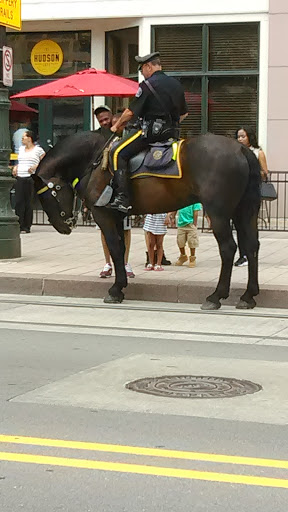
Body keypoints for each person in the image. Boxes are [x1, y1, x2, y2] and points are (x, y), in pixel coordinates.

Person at [109, 51, 188, 213]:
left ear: (148, 66)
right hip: (172, 134)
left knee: (117, 153)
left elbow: (131, 112)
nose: (142, 74)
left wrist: (116, 126)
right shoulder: (176, 84)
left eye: (141, 70)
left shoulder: (147, 85)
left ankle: (123, 198)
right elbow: (184, 113)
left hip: (151, 134)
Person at [234, 126, 268, 267]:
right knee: (239, 226)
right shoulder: (235, 152)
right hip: (237, 194)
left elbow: (265, 172)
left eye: (243, 136)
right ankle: (243, 255)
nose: (240, 139)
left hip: (251, 193)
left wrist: (250, 173)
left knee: (249, 225)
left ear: (250, 137)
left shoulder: (257, 153)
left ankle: (251, 253)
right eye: (238, 136)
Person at [12, 130, 45, 233]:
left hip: (30, 177)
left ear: (29, 138)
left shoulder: (38, 150)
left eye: (24, 137)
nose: (22, 139)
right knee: (19, 201)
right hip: (20, 175)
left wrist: (36, 166)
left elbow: (45, 162)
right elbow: (21, 161)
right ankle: (19, 224)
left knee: (28, 201)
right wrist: (15, 167)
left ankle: (26, 226)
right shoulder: (21, 149)